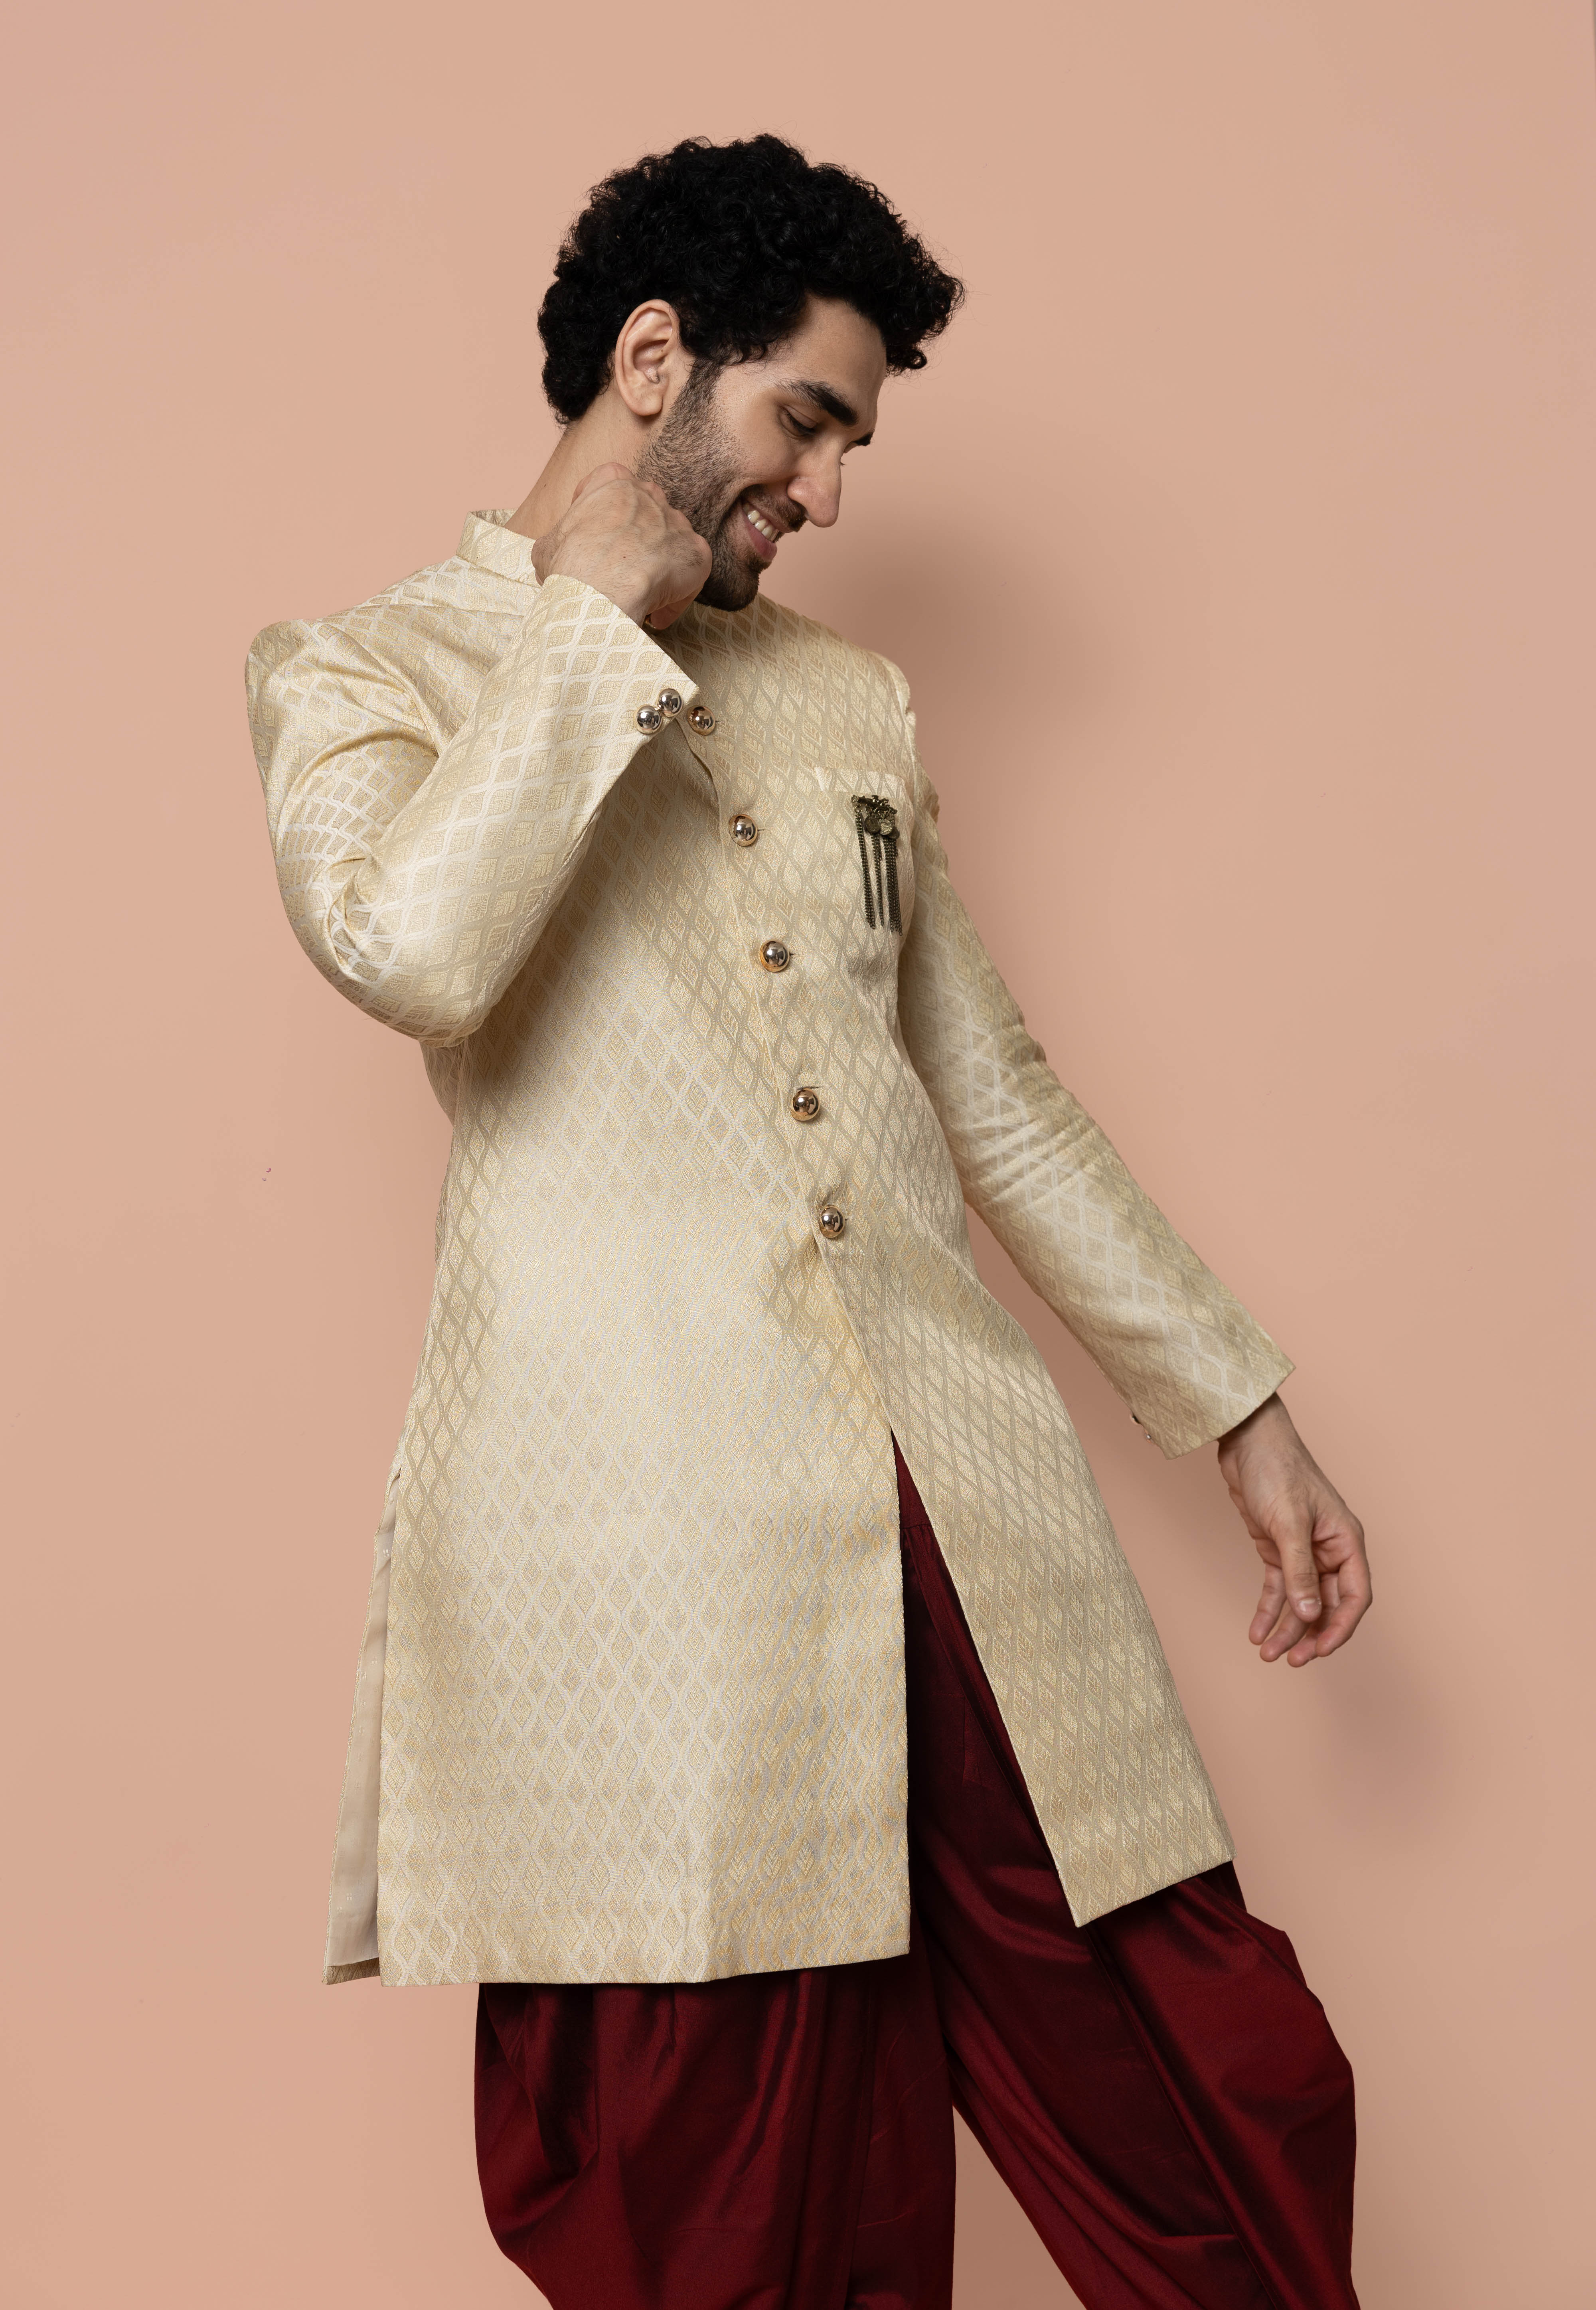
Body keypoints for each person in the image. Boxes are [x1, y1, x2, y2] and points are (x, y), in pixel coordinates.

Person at [246, 134, 1372, 2310]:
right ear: (655, 360)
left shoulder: (852, 701)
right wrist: (590, 625)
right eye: (809, 421)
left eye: (856, 442)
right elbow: (417, 953)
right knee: (741, 2217)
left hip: (964, 1511)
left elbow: (996, 1098)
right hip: (655, 1561)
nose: (833, 493)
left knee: (1225, 2086)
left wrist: (1241, 1411)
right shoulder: (369, 673)